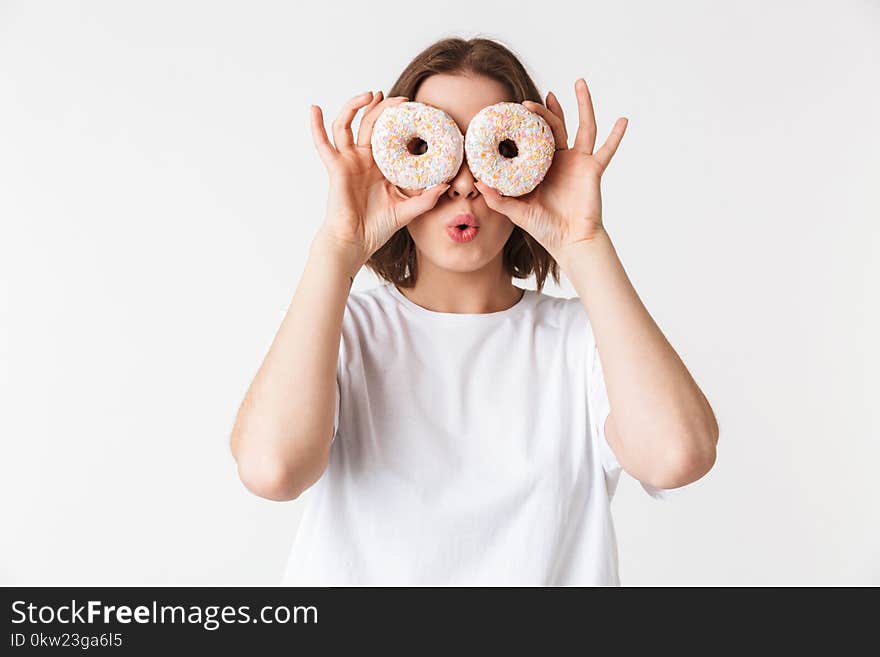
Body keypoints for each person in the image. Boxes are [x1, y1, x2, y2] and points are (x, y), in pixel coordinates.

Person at [229, 37, 719, 586]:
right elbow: (272, 470)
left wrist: (584, 243)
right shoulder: (343, 334)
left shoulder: (583, 342)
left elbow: (677, 457)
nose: (463, 182)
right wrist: (338, 243)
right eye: (433, 147)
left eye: (492, 150)